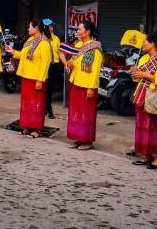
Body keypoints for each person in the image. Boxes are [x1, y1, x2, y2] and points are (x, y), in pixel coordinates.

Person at [130, 33, 157, 169]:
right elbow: (138, 79)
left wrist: (146, 75)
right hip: (141, 94)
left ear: (153, 44)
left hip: (155, 97)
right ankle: (146, 155)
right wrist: (135, 73)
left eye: (145, 42)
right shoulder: (143, 58)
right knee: (142, 126)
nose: (143, 44)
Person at [5, 19, 51, 138]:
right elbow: (24, 56)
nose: (28, 29)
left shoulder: (44, 43)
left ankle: (37, 129)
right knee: (27, 104)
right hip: (27, 76)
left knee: (37, 104)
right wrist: (13, 52)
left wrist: (40, 80)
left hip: (36, 78)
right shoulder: (30, 40)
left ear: (36, 28)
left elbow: (45, 63)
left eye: (30, 27)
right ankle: (27, 126)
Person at [60, 20, 103, 150]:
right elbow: (74, 60)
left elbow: (95, 71)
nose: (77, 31)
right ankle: (79, 138)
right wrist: (70, 63)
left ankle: (87, 141)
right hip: (76, 83)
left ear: (88, 32)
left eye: (79, 29)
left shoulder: (95, 48)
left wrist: (91, 88)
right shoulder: (79, 45)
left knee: (87, 114)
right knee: (76, 112)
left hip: (87, 86)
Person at [43, 18, 62, 119]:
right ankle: (48, 109)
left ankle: (46, 107)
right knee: (44, 87)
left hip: (54, 66)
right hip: (45, 65)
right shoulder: (41, 39)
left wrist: (65, 63)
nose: (52, 28)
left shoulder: (56, 39)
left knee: (51, 88)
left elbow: (60, 52)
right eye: (50, 26)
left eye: (52, 26)